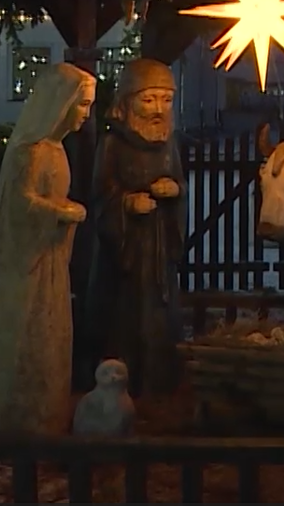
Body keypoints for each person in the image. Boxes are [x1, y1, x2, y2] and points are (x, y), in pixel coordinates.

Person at [0, 63, 96, 434]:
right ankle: (12, 420)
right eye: (82, 104)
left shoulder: (57, 150)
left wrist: (63, 212)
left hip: (50, 260)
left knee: (48, 336)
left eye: (89, 105)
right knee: (22, 335)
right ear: (60, 102)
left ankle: (45, 415)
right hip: (25, 264)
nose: (86, 114)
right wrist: (59, 211)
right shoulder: (31, 151)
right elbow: (20, 202)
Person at [87, 58, 187, 396]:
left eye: (166, 100)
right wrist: (127, 203)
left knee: (161, 316)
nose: (158, 109)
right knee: (124, 318)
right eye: (148, 99)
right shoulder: (113, 144)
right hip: (125, 253)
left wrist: (175, 191)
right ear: (128, 101)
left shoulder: (169, 143)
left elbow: (180, 183)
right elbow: (101, 194)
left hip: (159, 248)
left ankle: (161, 379)